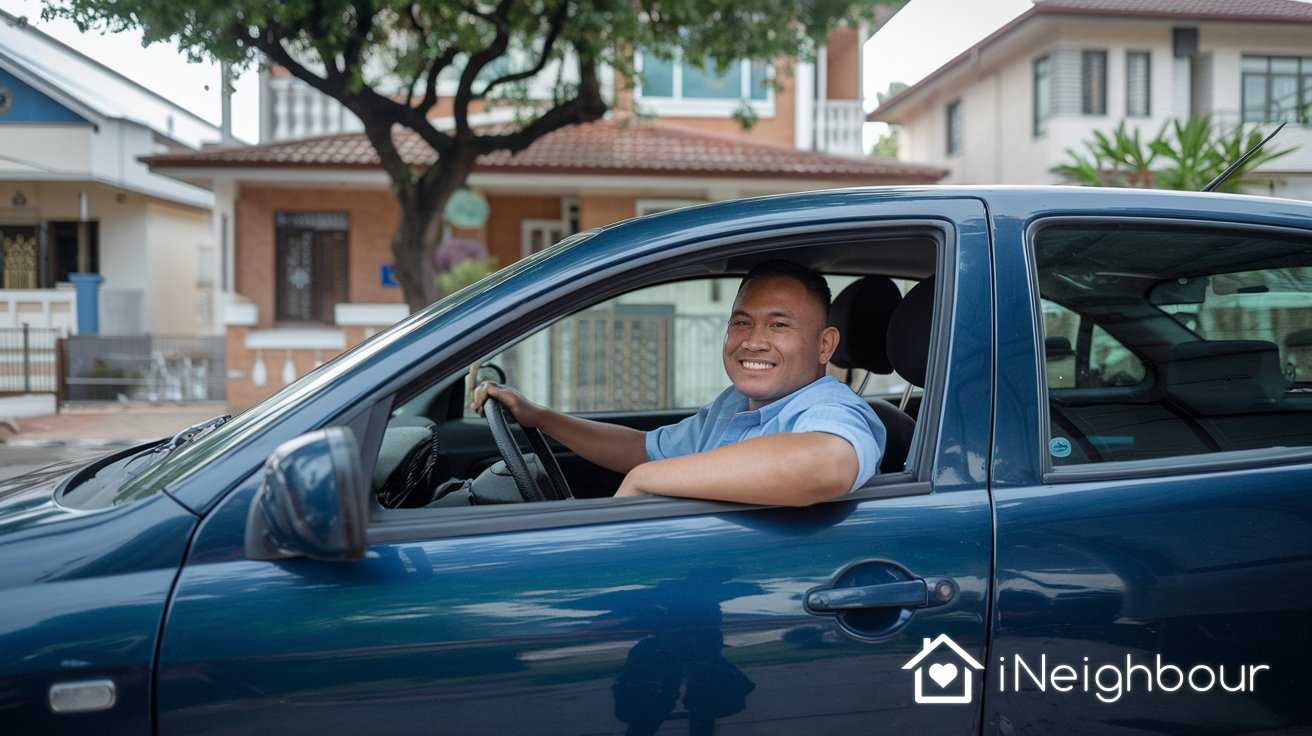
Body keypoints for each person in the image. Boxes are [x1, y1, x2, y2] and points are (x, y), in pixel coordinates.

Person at [471, 260, 887, 506]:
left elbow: (827, 463)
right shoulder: (736, 403)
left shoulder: (831, 407)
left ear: (824, 345)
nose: (753, 341)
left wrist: (646, 481)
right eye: (741, 323)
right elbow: (642, 449)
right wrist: (540, 417)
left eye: (779, 325)